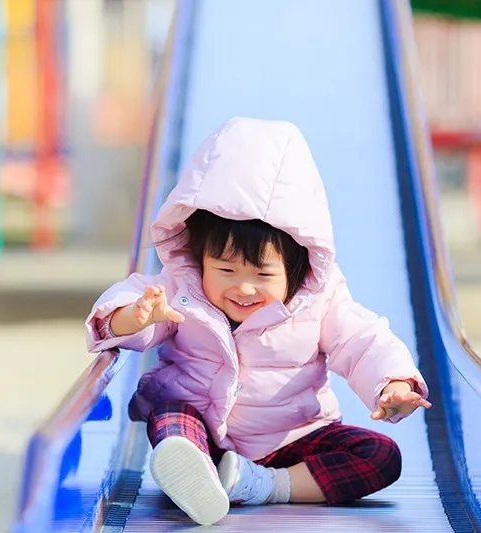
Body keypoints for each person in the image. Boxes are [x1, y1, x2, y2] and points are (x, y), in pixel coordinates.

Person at [85, 117, 431, 525]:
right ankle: (194, 472)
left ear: (298, 266)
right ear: (200, 256)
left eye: (263, 275)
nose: (244, 289)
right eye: (226, 271)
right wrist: (135, 316)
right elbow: (125, 308)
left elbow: (363, 340)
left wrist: (392, 383)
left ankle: (263, 485)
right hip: (205, 435)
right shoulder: (180, 288)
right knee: (170, 415)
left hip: (293, 439)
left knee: (381, 457)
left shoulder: (320, 300)